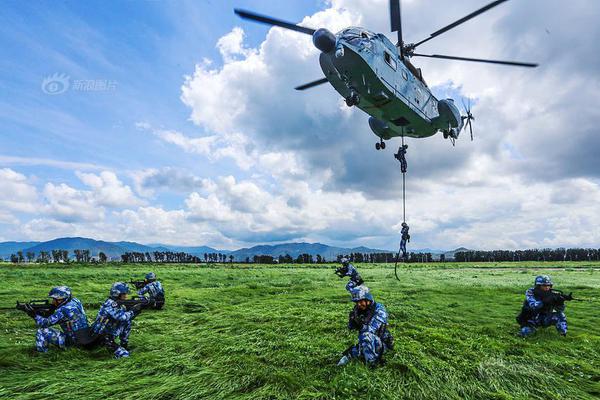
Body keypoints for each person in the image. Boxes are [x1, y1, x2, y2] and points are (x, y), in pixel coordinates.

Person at [337, 284, 393, 367]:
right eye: (357, 302)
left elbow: (369, 330)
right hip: (367, 342)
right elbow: (351, 328)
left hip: (381, 343)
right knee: (349, 355)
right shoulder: (360, 309)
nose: (358, 304)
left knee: (366, 336)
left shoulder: (380, 310)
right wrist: (353, 319)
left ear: (368, 300)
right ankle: (361, 352)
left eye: (360, 301)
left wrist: (360, 322)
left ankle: (372, 364)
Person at [28, 286, 90, 353]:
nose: (53, 302)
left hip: (74, 342)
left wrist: (34, 315)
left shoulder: (63, 310)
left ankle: (42, 353)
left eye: (56, 299)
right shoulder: (76, 301)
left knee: (42, 331)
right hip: (85, 338)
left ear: (63, 299)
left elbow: (44, 323)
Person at [91, 282, 142, 358]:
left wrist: (134, 311)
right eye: (124, 294)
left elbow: (126, 318)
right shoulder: (110, 304)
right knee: (125, 356)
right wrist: (133, 311)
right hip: (101, 336)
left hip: (109, 333)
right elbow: (122, 317)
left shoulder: (118, 304)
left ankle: (124, 345)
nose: (126, 296)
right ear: (117, 294)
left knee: (127, 322)